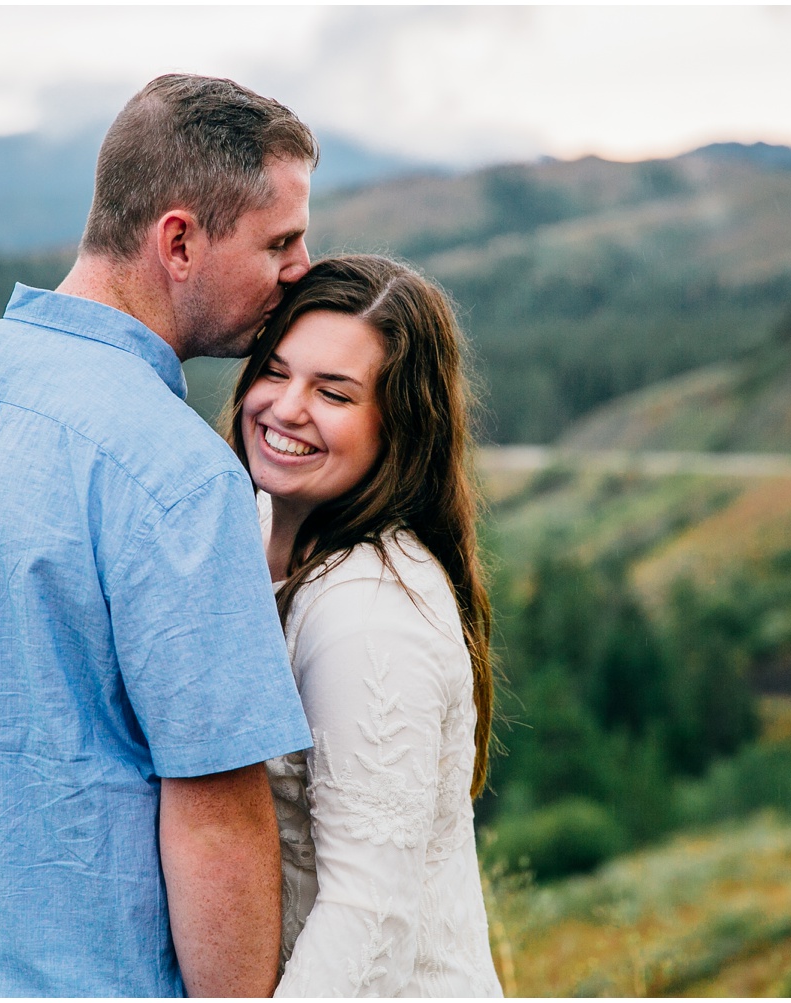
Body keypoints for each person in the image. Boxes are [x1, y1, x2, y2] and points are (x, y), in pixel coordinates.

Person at [0, 74, 316, 997]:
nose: (300, 268)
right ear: (178, 240)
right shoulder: (179, 476)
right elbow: (217, 814)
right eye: (280, 242)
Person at [221, 254, 504, 996]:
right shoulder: (253, 534)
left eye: (334, 393)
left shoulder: (369, 611)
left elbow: (368, 914)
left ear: (399, 426)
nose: (286, 407)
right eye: (275, 372)